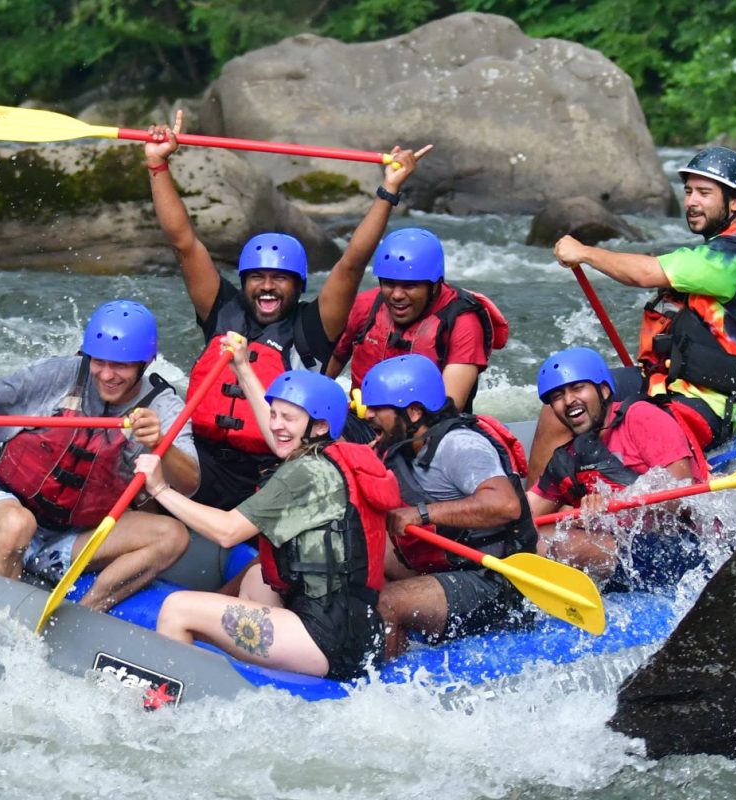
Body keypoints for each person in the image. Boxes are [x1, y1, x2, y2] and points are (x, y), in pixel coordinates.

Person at [145, 108, 431, 510]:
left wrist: (388, 191)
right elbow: (184, 242)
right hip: (203, 461)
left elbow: (352, 262)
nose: (266, 286)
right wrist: (158, 165)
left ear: (298, 286)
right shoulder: (222, 309)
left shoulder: (312, 329)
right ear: (243, 282)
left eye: (279, 278)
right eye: (256, 277)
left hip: (275, 472)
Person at [135, 344, 402, 680]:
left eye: (288, 417)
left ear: (318, 426)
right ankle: (248, 683)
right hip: (354, 629)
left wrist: (160, 489)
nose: (276, 425)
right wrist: (244, 368)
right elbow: (280, 438)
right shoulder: (330, 457)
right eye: (273, 414)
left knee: (177, 609)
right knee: (254, 580)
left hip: (326, 639)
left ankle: (170, 706)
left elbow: (227, 531)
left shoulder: (304, 474)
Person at [0, 299, 194, 611]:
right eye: (99, 362)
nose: (106, 375)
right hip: (2, 510)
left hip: (67, 539)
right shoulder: (58, 375)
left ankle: (84, 615)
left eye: (121, 365)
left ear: (146, 362)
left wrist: (161, 445)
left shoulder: (163, 404)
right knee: (18, 524)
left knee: (172, 536)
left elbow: (189, 483)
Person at [530, 146, 736, 479]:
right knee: (565, 400)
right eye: (689, 191)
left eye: (704, 193)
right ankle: (535, 505)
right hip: (663, 384)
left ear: (735, 203)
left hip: (706, 406)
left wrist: (584, 252)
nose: (692, 201)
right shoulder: (715, 250)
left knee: (611, 422)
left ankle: (568, 500)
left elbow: (645, 273)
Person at [358, 355, 535, 659]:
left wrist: (422, 514)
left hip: (494, 582)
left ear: (413, 412)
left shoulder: (459, 445)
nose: (367, 414)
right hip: (446, 567)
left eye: (377, 408)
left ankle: (384, 691)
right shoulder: (401, 447)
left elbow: (505, 504)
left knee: (385, 603)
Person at [525, 347, 709, 591]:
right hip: (624, 550)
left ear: (603, 390)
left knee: (561, 544)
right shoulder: (567, 456)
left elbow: (683, 495)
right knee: (532, 536)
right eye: (558, 396)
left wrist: (615, 503)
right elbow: (525, 514)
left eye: (578, 388)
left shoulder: (641, 417)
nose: (568, 401)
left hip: (680, 547)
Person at [326, 227, 509, 416]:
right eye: (388, 283)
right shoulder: (366, 306)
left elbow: (449, 409)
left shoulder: (463, 322)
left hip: (428, 430)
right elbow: (334, 360)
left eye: (410, 286)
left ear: (435, 284)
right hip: (363, 422)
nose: (396, 295)